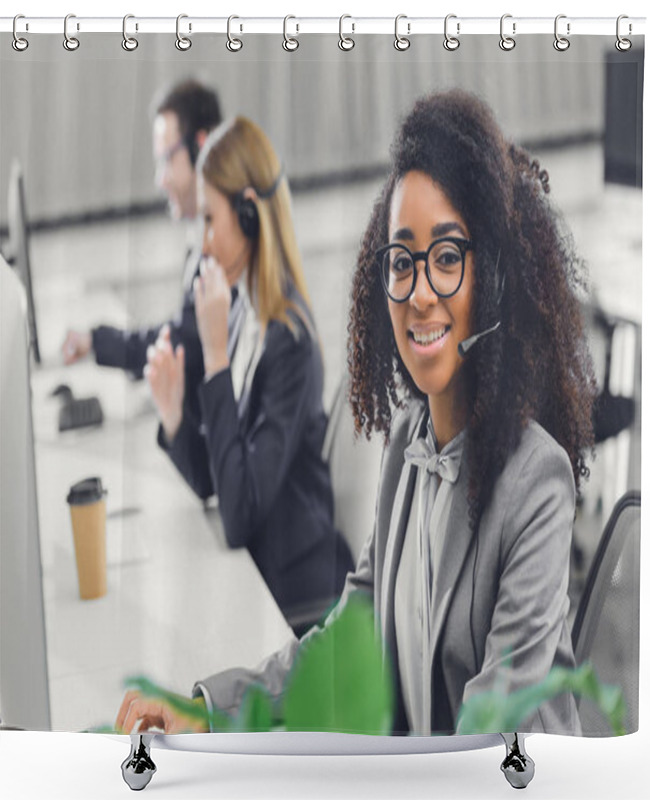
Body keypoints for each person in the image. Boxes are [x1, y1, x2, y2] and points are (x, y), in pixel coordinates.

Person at [116, 89, 596, 737]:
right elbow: (351, 629)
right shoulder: (408, 441)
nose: (421, 292)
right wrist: (208, 708)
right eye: (402, 262)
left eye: (449, 258)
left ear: (496, 281)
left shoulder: (534, 480)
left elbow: (488, 735)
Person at [144, 116, 352, 634]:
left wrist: (215, 358)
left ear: (250, 216)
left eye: (211, 220)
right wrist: (173, 418)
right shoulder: (243, 312)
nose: (205, 244)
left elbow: (239, 518)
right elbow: (221, 477)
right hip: (262, 573)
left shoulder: (289, 341)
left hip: (300, 600)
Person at [60, 79, 222, 407]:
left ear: (200, 147)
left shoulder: (224, 244)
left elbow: (183, 342)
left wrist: (99, 342)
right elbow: (184, 334)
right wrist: (97, 341)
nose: (159, 179)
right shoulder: (202, 236)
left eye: (167, 159)